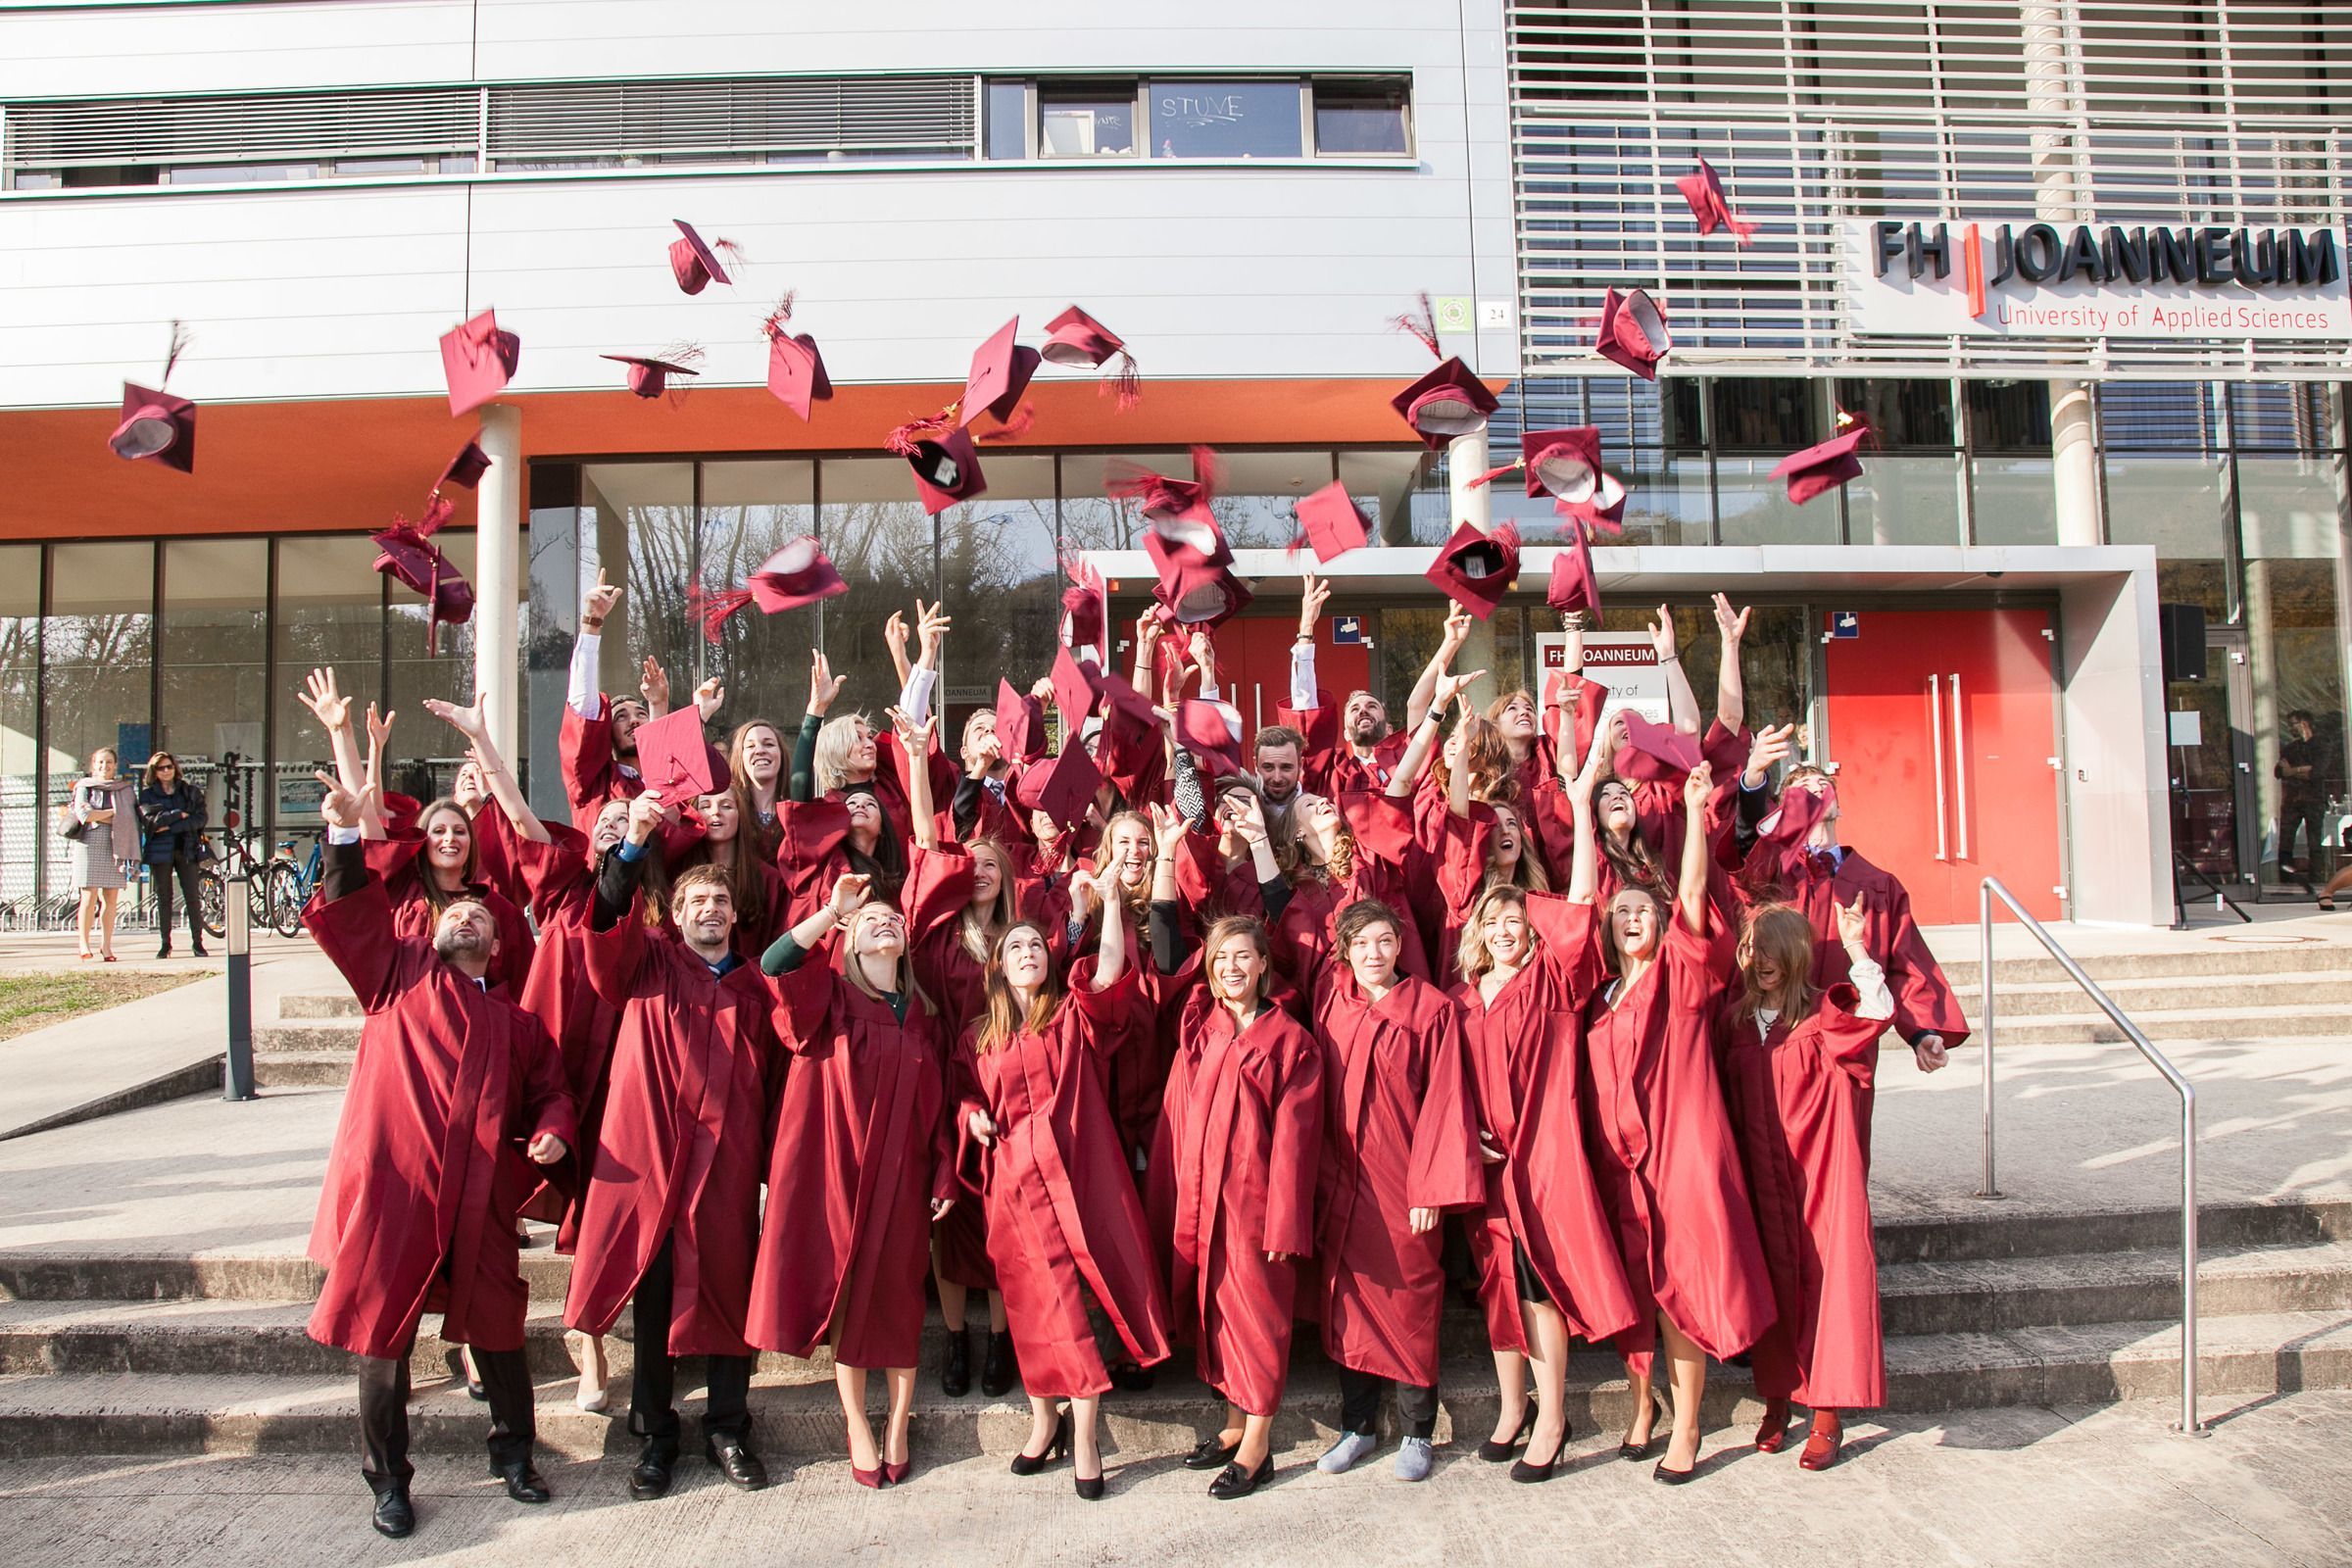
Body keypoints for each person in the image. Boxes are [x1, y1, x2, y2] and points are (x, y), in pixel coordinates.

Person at [301, 770, 574, 1540]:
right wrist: (346, 834)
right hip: (400, 1190)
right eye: (454, 913)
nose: (467, 920)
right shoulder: (395, 976)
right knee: (381, 1334)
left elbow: (552, 1094)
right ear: (434, 926)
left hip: (480, 1197)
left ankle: (514, 1455)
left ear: (497, 938)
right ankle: (389, 1481)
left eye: (479, 917)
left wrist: (554, 1129)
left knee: (499, 1326)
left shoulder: (519, 1025)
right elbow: (351, 910)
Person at [564, 791, 782, 1500]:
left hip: (725, 1168)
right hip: (654, 1163)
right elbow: (602, 923)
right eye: (697, 904)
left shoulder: (755, 987)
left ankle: (727, 1428)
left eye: (720, 903)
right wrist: (630, 846)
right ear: (678, 915)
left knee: (726, 1292)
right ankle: (655, 1434)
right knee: (652, 1299)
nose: (711, 912)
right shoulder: (647, 968)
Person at [1447, 726, 1639, 1484]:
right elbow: (1449, 1088)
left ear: (1531, 929)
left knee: (1538, 1282)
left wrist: (1584, 800)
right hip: (1486, 1161)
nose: (1502, 929)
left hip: (1542, 1156)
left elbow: (1585, 898)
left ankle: (1551, 1417)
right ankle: (1510, 1407)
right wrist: (1466, 1136)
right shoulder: (1463, 999)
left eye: (1514, 921)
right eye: (1491, 922)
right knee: (1497, 1282)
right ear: (1476, 933)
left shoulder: (1553, 980)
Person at [1582, 760, 1776, 1484]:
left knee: (1683, 1285)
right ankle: (1642, 1405)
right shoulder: (1599, 998)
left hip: (1682, 1149)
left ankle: (1688, 1426)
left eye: (1644, 912)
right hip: (1620, 1156)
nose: (1633, 918)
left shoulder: (1682, 974)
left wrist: (1696, 813)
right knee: (1636, 1286)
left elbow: (1693, 890)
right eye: (1622, 912)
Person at [956, 886, 1171, 1500]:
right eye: (1013, 945)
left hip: (1078, 1174)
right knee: (1027, 1303)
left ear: (1049, 960)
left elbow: (1107, 972)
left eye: (1034, 945)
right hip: (1015, 1186)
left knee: (1081, 1304)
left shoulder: (1071, 1016)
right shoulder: (980, 1036)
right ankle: (1043, 1417)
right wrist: (971, 1114)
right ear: (997, 965)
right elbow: (965, 1093)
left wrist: (1106, 901)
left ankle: (1082, 1434)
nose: (1026, 951)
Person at [758, 871, 957, 1488]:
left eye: (893, 918)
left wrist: (946, 1171)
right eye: (871, 919)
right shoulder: (828, 1000)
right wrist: (831, 912)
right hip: (837, 1171)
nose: (886, 921)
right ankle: (857, 1424)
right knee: (846, 1300)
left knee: (898, 1301)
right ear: (849, 941)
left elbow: (943, 1102)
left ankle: (897, 1422)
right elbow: (775, 963)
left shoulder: (922, 1013)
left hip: (904, 1176)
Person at [1145, 815, 1323, 1500]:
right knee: (1217, 1313)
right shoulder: (1202, 1023)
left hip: (1253, 1206)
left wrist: (1284, 1222)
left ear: (1264, 965)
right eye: (1221, 962)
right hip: (1201, 1197)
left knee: (1257, 1318)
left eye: (1244, 958)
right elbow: (1166, 950)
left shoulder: (1289, 1040)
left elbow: (1299, 1144)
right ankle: (1230, 1419)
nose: (1232, 969)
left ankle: (1258, 1444)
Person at [1717, 896, 1894, 1474]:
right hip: (1757, 1172)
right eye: (1750, 948)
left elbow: (1874, 1015)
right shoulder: (1736, 1020)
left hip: (1816, 1176)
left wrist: (1856, 949)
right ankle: (1775, 1400)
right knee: (1765, 1280)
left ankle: (1825, 1412)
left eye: (1770, 949)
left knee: (1824, 1282)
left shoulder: (1824, 1016)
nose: (1758, 959)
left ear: (1794, 953)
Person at [1311, 897, 1483, 1484]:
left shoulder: (1430, 1010)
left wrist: (1431, 1189)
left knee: (1411, 1302)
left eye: (1384, 941)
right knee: (1349, 1304)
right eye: (1361, 944)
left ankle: (1416, 1430)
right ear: (1346, 951)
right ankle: (1357, 1427)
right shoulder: (1334, 1000)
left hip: (1403, 1180)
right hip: (1342, 1181)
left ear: (1400, 945)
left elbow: (1446, 1102)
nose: (1373, 954)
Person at [67, 746, 137, 961]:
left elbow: (130, 817)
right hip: (89, 843)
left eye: (108, 762)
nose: (104, 766)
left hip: (117, 844)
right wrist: (115, 814)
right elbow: (84, 814)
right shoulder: (84, 786)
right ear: (93, 765)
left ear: (115, 765)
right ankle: (84, 943)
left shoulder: (124, 789)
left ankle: (106, 946)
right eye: (100, 762)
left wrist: (102, 816)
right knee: (88, 896)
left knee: (111, 898)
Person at [137, 751, 208, 958]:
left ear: (175, 768)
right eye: (161, 768)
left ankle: (198, 942)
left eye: (169, 766)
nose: (166, 771)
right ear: (154, 771)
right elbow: (150, 823)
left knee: (192, 896)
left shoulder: (189, 792)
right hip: (160, 851)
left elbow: (200, 819)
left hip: (187, 848)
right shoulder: (147, 795)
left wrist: (170, 826)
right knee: (163, 897)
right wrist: (178, 815)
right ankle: (165, 943)